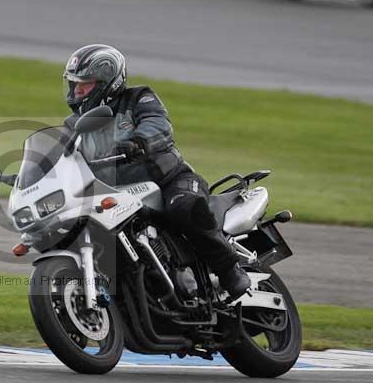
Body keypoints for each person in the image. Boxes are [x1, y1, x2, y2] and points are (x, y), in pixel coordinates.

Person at [61, 44, 251, 298]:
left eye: (85, 83)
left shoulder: (139, 98)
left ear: (108, 83)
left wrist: (138, 141)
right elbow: (61, 159)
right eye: (74, 83)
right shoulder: (75, 126)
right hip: (120, 194)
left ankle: (230, 270)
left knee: (183, 206)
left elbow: (158, 124)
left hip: (169, 181)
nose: (78, 90)